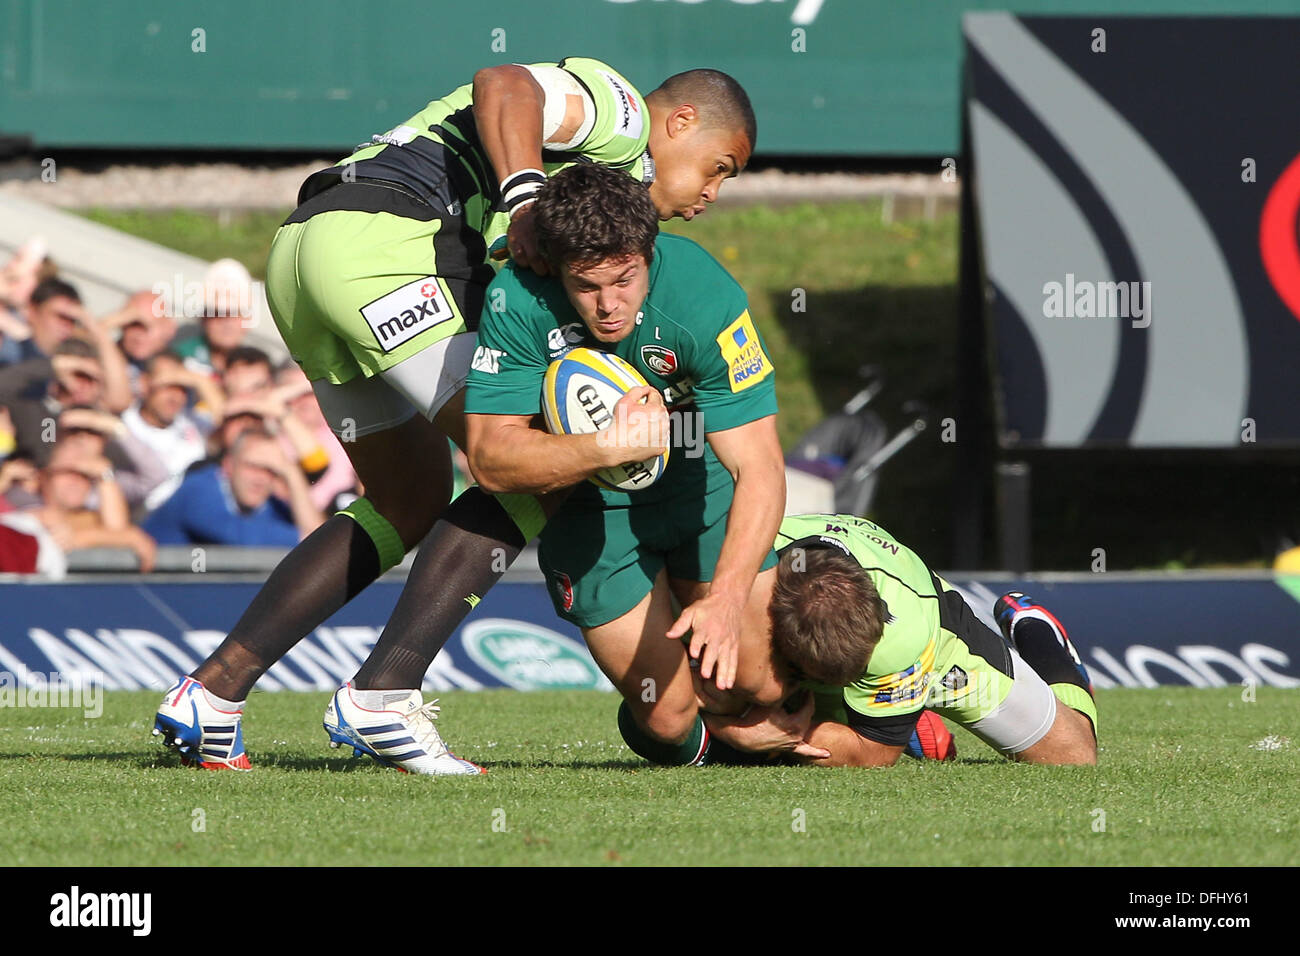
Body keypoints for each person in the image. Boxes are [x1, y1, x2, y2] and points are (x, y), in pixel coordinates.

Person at [154, 58, 757, 774]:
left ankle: (213, 695)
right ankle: (383, 694)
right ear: (680, 122)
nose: (711, 194)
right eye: (718, 168)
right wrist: (527, 199)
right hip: (389, 245)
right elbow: (504, 82)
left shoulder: (613, 190)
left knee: (407, 499)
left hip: (306, 254)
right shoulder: (624, 112)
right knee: (537, 461)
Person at [443, 162, 785, 770]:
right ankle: (718, 745)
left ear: (648, 253)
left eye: (625, 280)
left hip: (697, 485)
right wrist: (606, 449)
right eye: (586, 285)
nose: (607, 306)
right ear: (555, 266)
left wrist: (728, 600)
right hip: (589, 511)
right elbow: (490, 463)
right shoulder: (517, 298)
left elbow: (760, 468)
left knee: (760, 682)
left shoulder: (704, 294)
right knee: (666, 714)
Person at [702, 513, 1098, 767]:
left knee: (1073, 757)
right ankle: (904, 713)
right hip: (799, 613)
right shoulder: (741, 584)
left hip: (936, 644)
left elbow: (871, 755)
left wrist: (763, 735)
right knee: (733, 690)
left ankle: (1040, 634)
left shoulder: (905, 635)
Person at [142, 427, 324, 547]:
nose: (261, 479)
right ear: (228, 465)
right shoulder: (198, 490)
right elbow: (244, 538)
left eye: (271, 470)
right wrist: (305, 539)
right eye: (253, 466)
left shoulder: (267, 504)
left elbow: (318, 541)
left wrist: (291, 473)